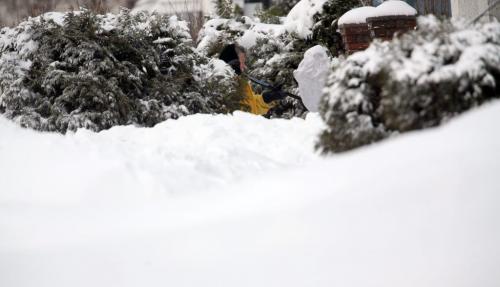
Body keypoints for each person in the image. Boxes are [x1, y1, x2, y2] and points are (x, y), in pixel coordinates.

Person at [219, 43, 287, 115]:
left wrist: (267, 98)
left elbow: (250, 107)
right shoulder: (222, 86)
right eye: (241, 63)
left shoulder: (240, 81)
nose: (245, 67)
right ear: (232, 64)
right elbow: (240, 114)